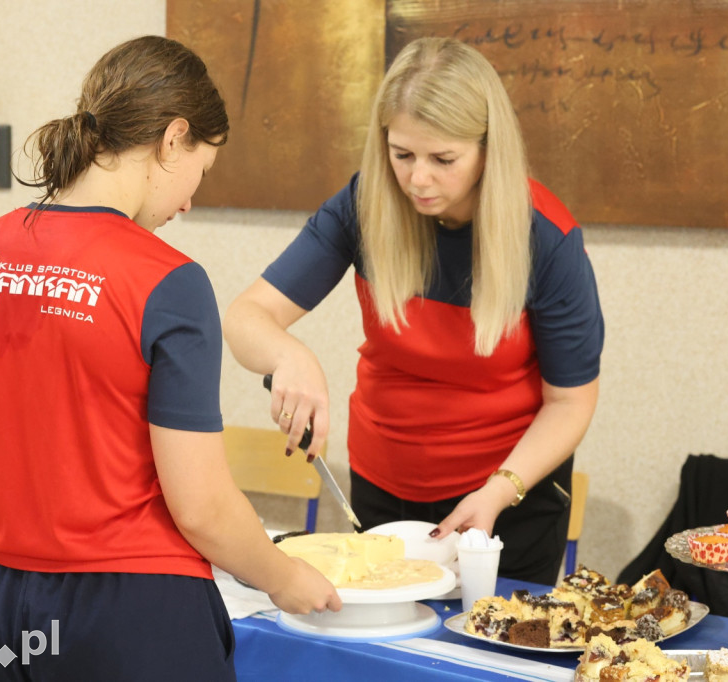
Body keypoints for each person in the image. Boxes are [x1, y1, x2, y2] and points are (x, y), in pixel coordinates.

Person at [0, 35, 340, 680]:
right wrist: (283, 577)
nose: (188, 202)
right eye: (199, 174)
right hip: (133, 610)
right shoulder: (167, 280)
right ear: (173, 138)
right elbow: (202, 507)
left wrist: (34, 495)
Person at [223, 36, 604, 585]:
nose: (417, 179)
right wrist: (290, 355)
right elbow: (245, 316)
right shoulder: (365, 204)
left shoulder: (546, 240)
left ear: (486, 151)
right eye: (402, 155)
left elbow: (570, 402)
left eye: (443, 159)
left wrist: (498, 491)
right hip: (383, 486)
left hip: (507, 496)